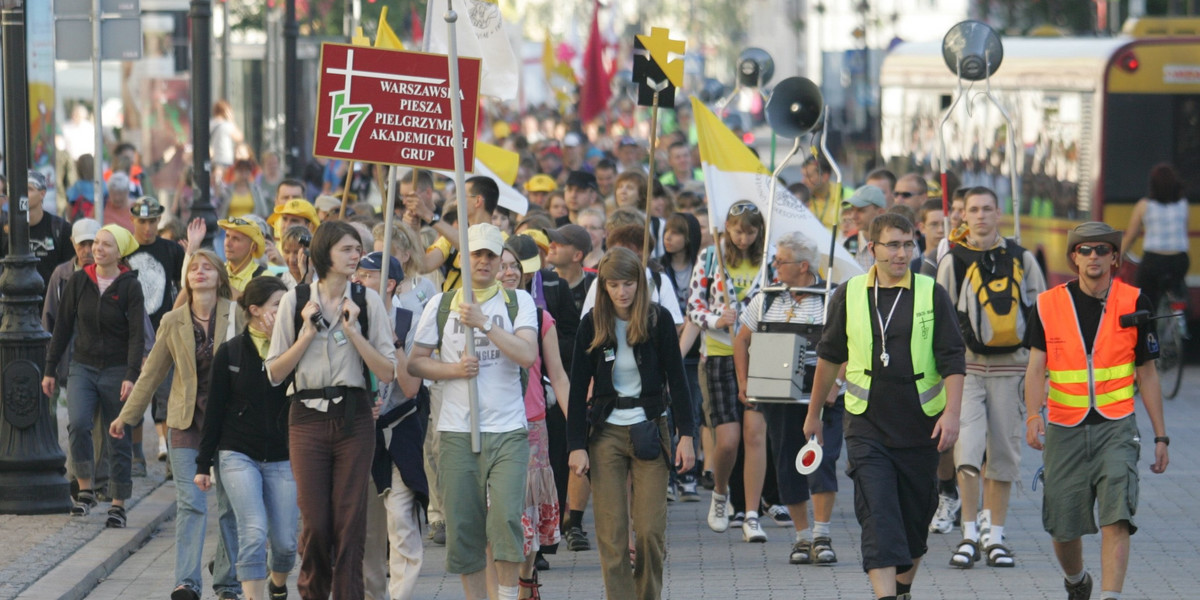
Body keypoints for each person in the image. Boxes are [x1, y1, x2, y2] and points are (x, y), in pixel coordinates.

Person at [803, 212, 965, 600]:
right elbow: (828, 355)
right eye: (892, 245)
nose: (901, 253)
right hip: (866, 422)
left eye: (908, 244)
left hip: (920, 423)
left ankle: (903, 589)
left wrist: (952, 413)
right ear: (871, 248)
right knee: (878, 516)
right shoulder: (850, 292)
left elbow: (952, 358)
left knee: (913, 521)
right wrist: (813, 414)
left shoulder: (930, 292)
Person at [1024, 222, 1169, 600]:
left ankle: (1110, 595)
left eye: (1102, 250)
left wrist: (1161, 436)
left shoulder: (1135, 301)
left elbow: (1148, 373)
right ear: (1073, 257)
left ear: (1115, 258)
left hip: (1117, 426)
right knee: (1063, 525)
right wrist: (1032, 414)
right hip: (1065, 427)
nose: (1093, 257)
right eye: (1085, 250)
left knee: (1117, 516)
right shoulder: (1047, 304)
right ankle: (1076, 580)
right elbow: (1036, 368)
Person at [265, 221, 397, 599]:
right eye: (347, 249)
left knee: (350, 521)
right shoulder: (296, 300)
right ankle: (313, 593)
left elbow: (387, 370)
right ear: (325, 253)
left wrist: (354, 331)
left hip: (354, 416)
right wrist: (307, 333)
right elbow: (274, 373)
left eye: (358, 248)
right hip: (306, 416)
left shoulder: (367, 301)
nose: (356, 256)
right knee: (316, 524)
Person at [408, 223, 538, 600]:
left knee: (506, 520)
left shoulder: (518, 302)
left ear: (501, 261)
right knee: (464, 527)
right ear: (463, 258)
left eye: (490, 255)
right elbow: (416, 363)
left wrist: (483, 323)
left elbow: (527, 354)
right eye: (476, 254)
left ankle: (508, 595)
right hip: (455, 431)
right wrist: (452, 370)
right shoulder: (442, 303)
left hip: (508, 430)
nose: (483, 261)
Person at [110, 249, 243, 600]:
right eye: (194, 268)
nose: (200, 272)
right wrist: (127, 416)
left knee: (231, 506)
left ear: (219, 276)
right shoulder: (173, 320)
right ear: (186, 279)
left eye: (207, 267)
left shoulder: (238, 315)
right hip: (185, 423)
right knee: (191, 503)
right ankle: (187, 582)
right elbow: (152, 373)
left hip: (230, 426)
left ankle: (228, 582)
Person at [567, 247, 696, 600]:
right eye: (614, 285)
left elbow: (678, 381)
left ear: (641, 284)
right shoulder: (592, 323)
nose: (622, 292)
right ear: (603, 287)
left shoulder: (658, 320)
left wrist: (687, 435)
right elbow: (578, 389)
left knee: (651, 532)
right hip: (606, 432)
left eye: (629, 284)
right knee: (611, 535)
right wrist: (576, 446)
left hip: (651, 428)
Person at [936, 186, 1046, 569]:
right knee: (966, 451)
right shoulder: (953, 261)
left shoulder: (1023, 259)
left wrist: (1040, 376)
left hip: (1011, 370)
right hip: (965, 372)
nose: (981, 216)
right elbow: (941, 318)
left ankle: (995, 537)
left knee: (1002, 454)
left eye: (987, 209)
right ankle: (968, 535)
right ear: (963, 216)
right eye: (973, 210)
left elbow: (1040, 316)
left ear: (999, 213)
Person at [734, 232, 846, 565]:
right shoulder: (767, 298)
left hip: (822, 390)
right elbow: (742, 338)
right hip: (777, 390)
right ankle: (801, 537)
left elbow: (852, 343)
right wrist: (744, 380)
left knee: (821, 460)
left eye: (780, 261)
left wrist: (837, 384)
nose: (774, 266)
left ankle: (822, 533)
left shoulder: (831, 297)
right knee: (787, 462)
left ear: (803, 265)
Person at [193, 276, 295, 600]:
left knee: (285, 543)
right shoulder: (231, 352)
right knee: (253, 530)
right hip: (237, 453)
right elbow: (214, 411)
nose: (284, 312)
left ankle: (277, 584)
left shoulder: (294, 348)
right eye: (278, 306)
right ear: (255, 310)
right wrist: (203, 463)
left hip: (282, 454)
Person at [43, 225, 146, 528]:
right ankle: (85, 489)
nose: (98, 249)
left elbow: (137, 336)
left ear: (120, 253)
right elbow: (61, 327)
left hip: (116, 370)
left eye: (106, 245)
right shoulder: (78, 281)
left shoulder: (130, 286)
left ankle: (118, 501)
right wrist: (50, 369)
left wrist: (131, 375)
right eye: (96, 243)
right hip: (83, 366)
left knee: (117, 435)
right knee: (77, 423)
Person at [687, 200, 765, 536]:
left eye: (750, 231)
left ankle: (751, 513)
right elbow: (693, 306)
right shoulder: (709, 257)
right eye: (737, 231)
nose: (743, 238)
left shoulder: (768, 260)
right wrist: (716, 319)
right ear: (727, 229)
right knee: (729, 439)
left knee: (755, 435)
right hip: (719, 353)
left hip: (759, 353)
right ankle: (721, 491)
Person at [498, 242, 570, 597]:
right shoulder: (476, 317)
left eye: (514, 265)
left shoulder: (541, 318)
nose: (508, 272)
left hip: (533, 423)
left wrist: (579, 433)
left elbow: (558, 375)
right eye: (501, 265)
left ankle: (526, 578)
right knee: (499, 513)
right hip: (492, 425)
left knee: (528, 510)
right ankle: (505, 586)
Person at [354, 251, 426, 600]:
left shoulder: (410, 320)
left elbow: (411, 387)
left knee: (400, 521)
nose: (357, 280)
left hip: (398, 432)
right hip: (359, 433)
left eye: (366, 275)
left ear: (389, 283)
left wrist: (394, 340)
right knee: (369, 532)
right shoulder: (349, 318)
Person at [127, 195, 187, 465]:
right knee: (134, 394)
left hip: (163, 331)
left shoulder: (172, 250)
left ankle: (171, 453)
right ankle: (136, 454)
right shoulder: (124, 249)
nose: (148, 227)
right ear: (133, 221)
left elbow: (184, 284)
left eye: (152, 221)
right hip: (130, 332)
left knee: (166, 395)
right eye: (142, 221)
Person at [1120, 162, 1191, 310]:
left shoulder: (1144, 205)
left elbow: (1131, 236)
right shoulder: (1183, 205)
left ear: (1152, 184)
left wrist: (1118, 255)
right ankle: (1181, 316)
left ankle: (1147, 329)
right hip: (1180, 260)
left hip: (1154, 261)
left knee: (1145, 301)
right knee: (1177, 287)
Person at [0, 171, 73, 294]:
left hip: (49, 304)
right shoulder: (4, 228)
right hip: (11, 305)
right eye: (19, 189)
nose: (22, 194)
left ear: (42, 194)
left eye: (29, 189)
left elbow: (69, 270)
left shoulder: (60, 228)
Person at [218, 217, 271, 297]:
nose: (227, 244)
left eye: (236, 239)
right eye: (227, 236)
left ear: (253, 247)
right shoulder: (217, 272)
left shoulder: (264, 278)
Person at [843, 186, 888, 272]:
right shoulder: (848, 244)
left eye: (860, 210)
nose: (853, 216)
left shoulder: (901, 242)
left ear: (880, 212)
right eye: (852, 210)